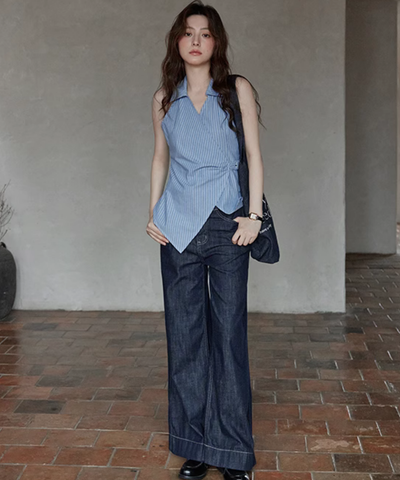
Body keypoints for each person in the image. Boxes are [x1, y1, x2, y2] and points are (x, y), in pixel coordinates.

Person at [146, 1, 266, 479]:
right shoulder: (164, 98)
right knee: (185, 339)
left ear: (217, 42)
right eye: (188, 32)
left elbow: (253, 154)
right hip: (177, 228)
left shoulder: (237, 89)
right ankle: (195, 445)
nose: (196, 41)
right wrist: (152, 213)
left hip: (228, 225)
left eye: (206, 33)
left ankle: (232, 451)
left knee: (229, 337)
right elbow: (160, 158)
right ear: (177, 40)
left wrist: (253, 216)